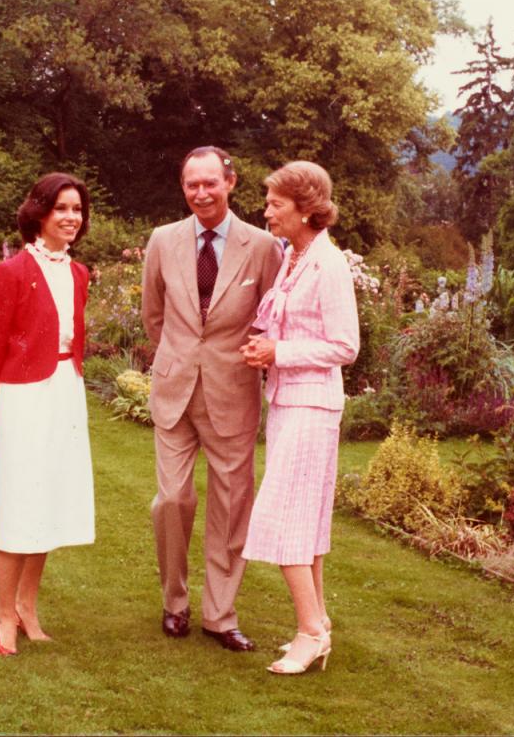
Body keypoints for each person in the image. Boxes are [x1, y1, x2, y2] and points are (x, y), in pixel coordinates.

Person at [141, 146, 283, 652]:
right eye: (190, 184)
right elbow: (153, 315)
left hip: (233, 393)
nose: (200, 193)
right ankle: (174, 602)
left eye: (209, 183)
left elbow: (270, 318)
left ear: (230, 182)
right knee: (172, 499)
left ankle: (220, 614)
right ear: (183, 187)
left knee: (231, 504)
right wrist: (176, 359)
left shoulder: (263, 246)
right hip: (175, 389)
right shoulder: (163, 240)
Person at [241, 160, 359, 675]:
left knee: (285, 516)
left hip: (313, 405)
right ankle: (318, 623)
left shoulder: (328, 265)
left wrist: (279, 353)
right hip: (290, 403)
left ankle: (310, 633)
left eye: (275, 204)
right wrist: (266, 348)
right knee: (305, 521)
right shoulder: (294, 256)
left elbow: (344, 345)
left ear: (307, 209)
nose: (267, 212)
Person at [0, 173, 95, 656]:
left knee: (51, 499)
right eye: (61, 208)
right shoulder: (9, 273)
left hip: (66, 390)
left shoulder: (79, 273)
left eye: (77, 210)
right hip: (21, 397)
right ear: (40, 213)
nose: (71, 218)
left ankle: (27, 606)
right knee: (20, 501)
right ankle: (3, 615)